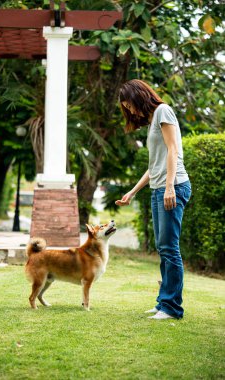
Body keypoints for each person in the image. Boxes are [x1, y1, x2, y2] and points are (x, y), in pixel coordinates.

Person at [115, 79, 191, 320]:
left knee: (170, 248)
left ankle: (172, 307)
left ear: (139, 96)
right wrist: (133, 191)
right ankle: (163, 302)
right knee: (163, 248)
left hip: (174, 186)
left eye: (130, 105)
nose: (130, 111)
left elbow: (173, 150)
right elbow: (154, 165)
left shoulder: (163, 111)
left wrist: (169, 187)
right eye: (126, 108)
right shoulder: (151, 122)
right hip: (159, 188)